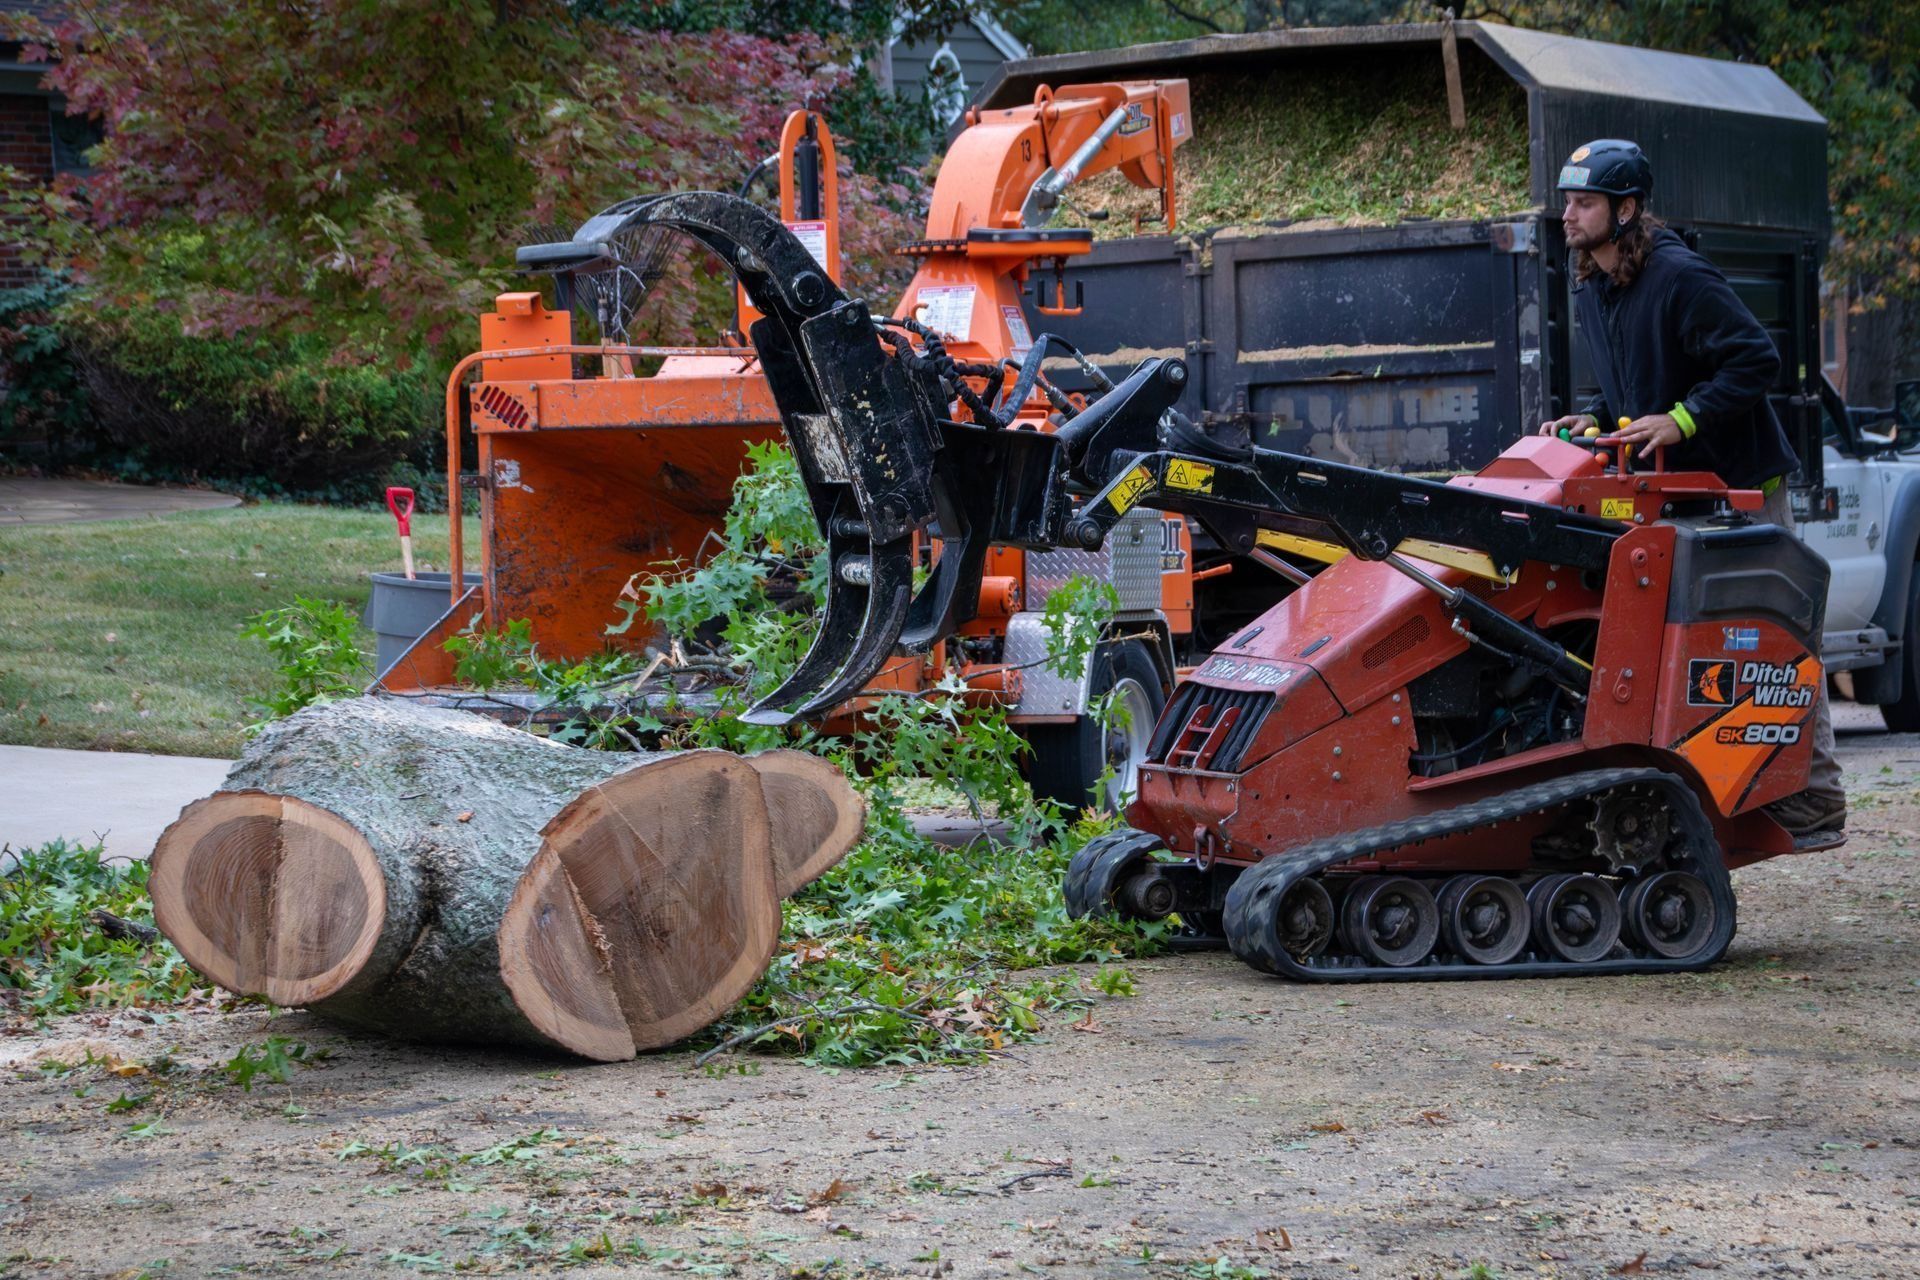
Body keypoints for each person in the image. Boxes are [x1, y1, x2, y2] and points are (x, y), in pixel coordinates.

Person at [1538, 138, 1846, 841]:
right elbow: (1637, 378)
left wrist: (1681, 420)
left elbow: (1756, 360)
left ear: (1627, 208)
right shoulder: (1594, 281)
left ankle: (1815, 799)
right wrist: (1594, 413)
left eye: (1584, 202)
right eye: (1566, 200)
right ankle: (1718, 787)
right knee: (1697, 654)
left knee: (1780, 644)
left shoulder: (1679, 275)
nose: (1568, 214)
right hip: (1679, 495)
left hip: (1741, 491)